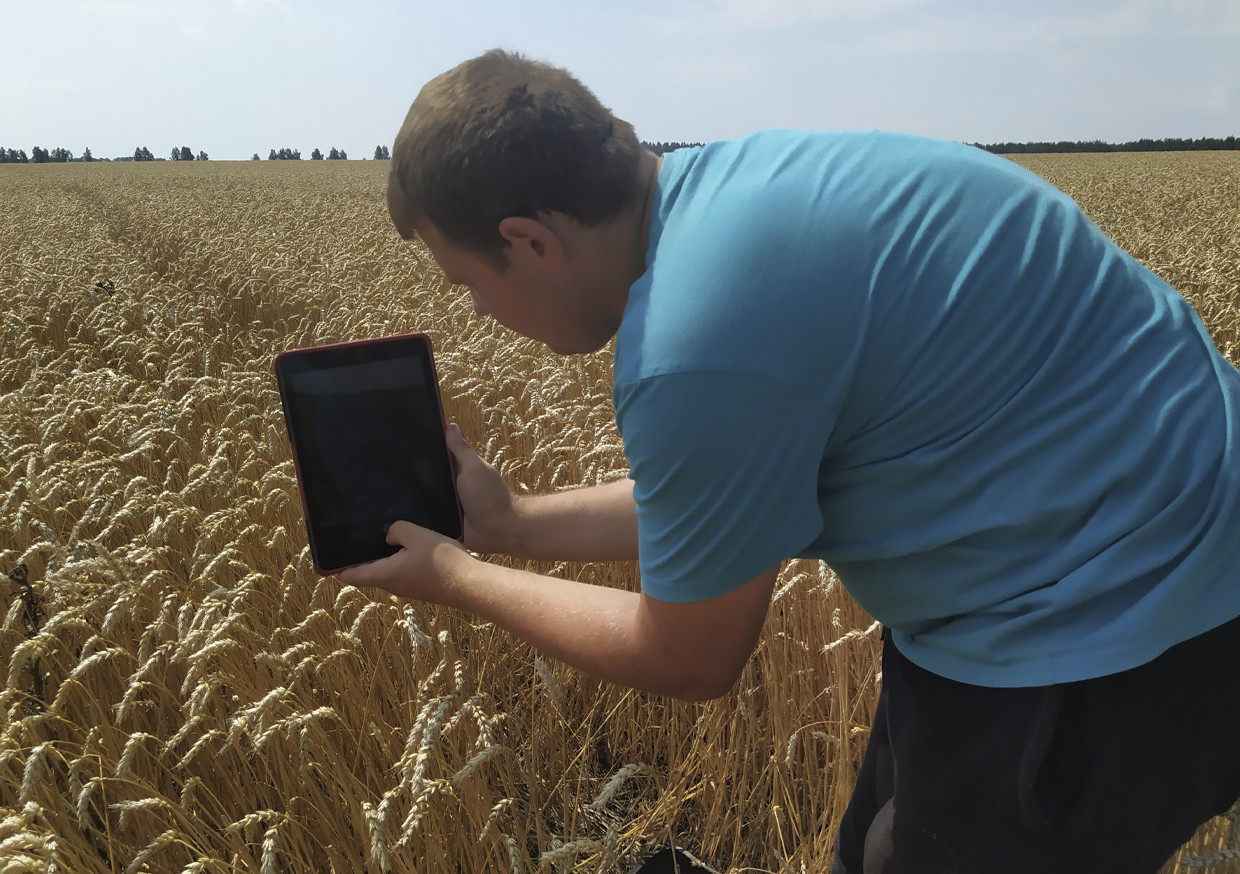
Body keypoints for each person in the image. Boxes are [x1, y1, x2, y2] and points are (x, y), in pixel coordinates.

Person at [339, 49, 1240, 873]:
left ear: (530, 240)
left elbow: (689, 656)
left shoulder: (693, 340)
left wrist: (460, 577)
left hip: (1125, 617)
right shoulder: (729, 192)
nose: (482, 315)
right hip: (1113, 540)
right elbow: (718, 506)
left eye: (469, 283)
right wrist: (507, 524)